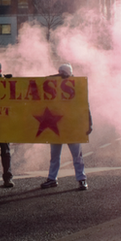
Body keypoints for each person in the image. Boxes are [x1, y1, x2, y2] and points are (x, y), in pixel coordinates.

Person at [40, 63, 92, 191]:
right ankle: (52, 179)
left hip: (72, 126)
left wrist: (88, 123)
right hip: (57, 125)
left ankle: (81, 179)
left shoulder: (77, 86)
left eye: (63, 72)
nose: (60, 74)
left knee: (77, 156)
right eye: (59, 72)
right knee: (55, 156)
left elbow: (85, 106)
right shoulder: (53, 85)